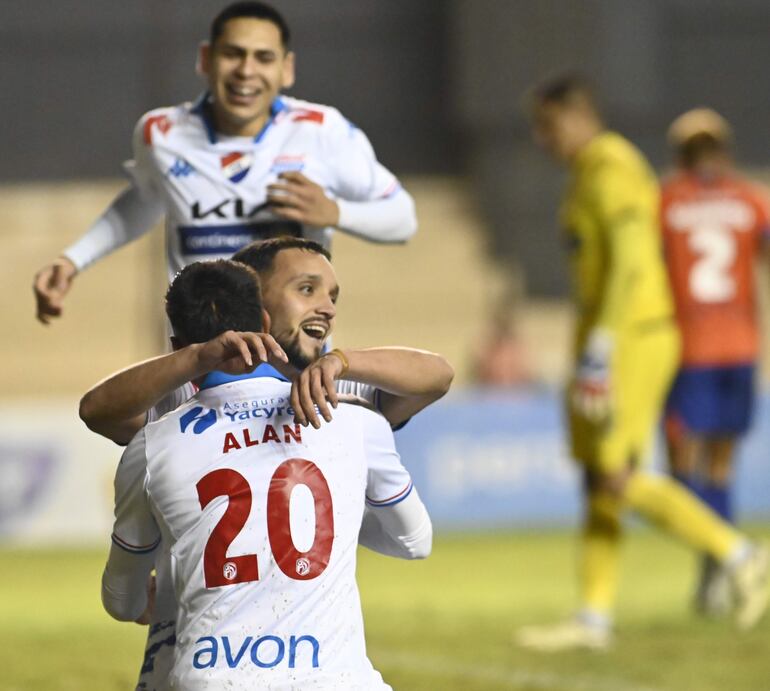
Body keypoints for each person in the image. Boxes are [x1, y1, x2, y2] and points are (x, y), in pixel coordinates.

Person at [83, 238, 452, 690]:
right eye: (307, 289)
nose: (327, 308)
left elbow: (436, 375)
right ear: (259, 307)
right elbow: (97, 409)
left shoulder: (328, 392)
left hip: (204, 669)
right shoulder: (347, 416)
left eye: (332, 295)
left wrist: (341, 362)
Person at [517, 73, 769, 651]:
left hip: (632, 337)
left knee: (616, 475)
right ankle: (594, 619)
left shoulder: (612, 165)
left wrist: (603, 348)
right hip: (607, 335)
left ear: (578, 117)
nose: (540, 138)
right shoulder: (586, 173)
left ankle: (739, 554)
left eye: (547, 124)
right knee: (596, 482)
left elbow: (632, 258)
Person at [33, 1, 416, 324]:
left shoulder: (323, 131)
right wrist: (73, 260)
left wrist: (335, 212)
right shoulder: (161, 134)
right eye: (233, 53)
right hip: (197, 365)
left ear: (286, 69)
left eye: (263, 57)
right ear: (206, 59)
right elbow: (148, 200)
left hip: (295, 370)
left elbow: (403, 219)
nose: (246, 71)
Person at [661, 108, 770, 614]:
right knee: (720, 468)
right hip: (741, 349)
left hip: (691, 351)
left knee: (681, 468)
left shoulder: (667, 200)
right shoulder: (750, 199)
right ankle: (725, 563)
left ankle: (718, 563)